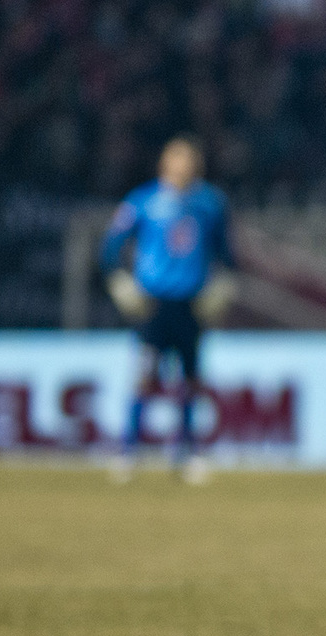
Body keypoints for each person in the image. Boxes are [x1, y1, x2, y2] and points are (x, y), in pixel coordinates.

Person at [101, 137, 237, 485]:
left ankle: (186, 453)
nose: (183, 167)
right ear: (164, 164)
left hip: (191, 303)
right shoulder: (143, 201)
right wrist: (119, 280)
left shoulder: (210, 203)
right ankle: (128, 450)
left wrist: (224, 283)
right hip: (153, 303)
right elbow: (112, 245)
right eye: (177, 160)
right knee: (145, 377)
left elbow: (225, 250)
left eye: (188, 161)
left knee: (190, 381)